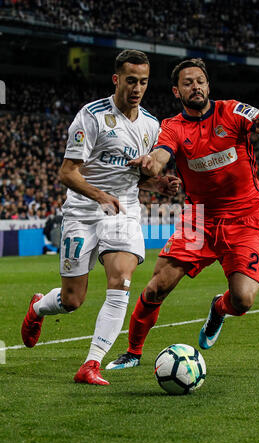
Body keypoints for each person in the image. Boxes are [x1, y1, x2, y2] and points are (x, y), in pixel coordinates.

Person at [105, 57, 259, 370]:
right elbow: (162, 154)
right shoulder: (173, 126)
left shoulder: (232, 111)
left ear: (209, 86)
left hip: (244, 219)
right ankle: (133, 353)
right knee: (157, 287)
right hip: (199, 220)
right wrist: (152, 162)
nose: (196, 87)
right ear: (177, 91)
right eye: (188, 83)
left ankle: (218, 310)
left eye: (200, 81)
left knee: (243, 301)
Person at [21, 49, 180, 385]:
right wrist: (99, 196)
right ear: (116, 79)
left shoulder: (152, 126)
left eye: (144, 82)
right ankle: (38, 307)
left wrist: (160, 185)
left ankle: (90, 364)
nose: (137, 88)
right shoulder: (91, 117)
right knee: (72, 299)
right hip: (83, 213)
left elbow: (139, 178)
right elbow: (67, 173)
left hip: (123, 213)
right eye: (131, 80)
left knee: (121, 279)